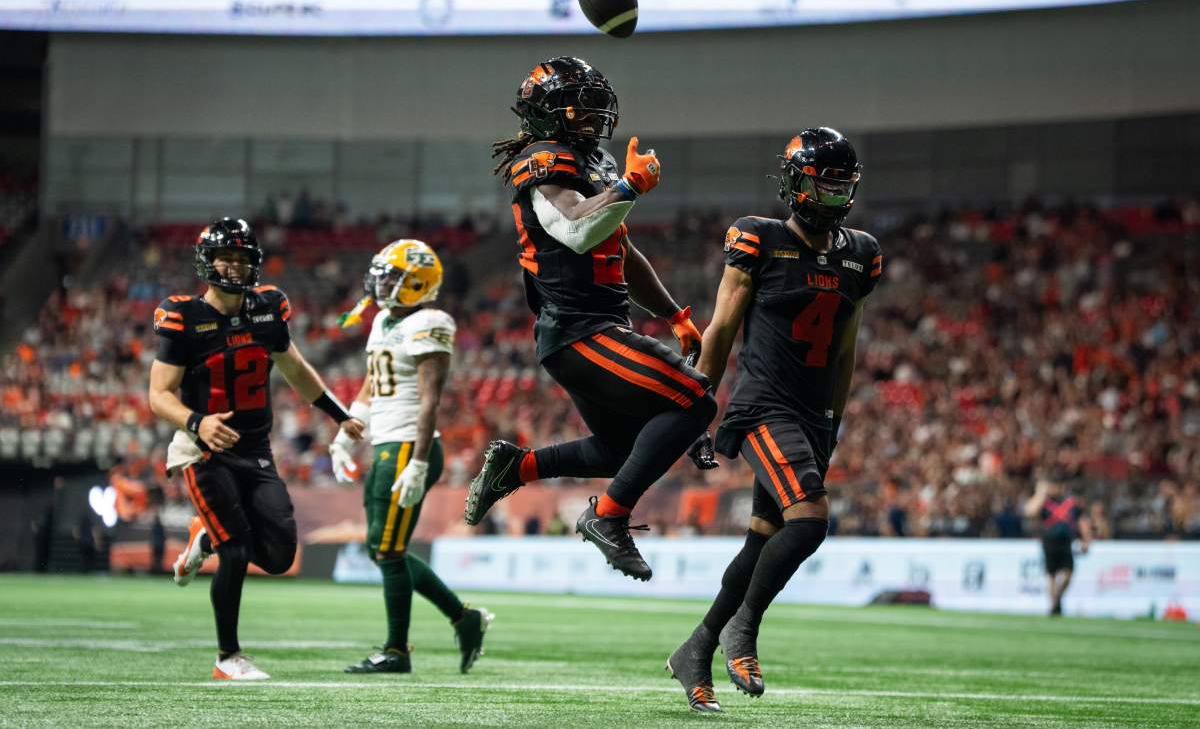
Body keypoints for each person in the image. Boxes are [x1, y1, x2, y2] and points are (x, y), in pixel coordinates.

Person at [466, 56, 716, 581]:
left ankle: (520, 466)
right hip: (576, 331)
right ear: (549, 114)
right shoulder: (540, 160)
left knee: (621, 450)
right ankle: (608, 517)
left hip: (599, 327)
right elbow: (576, 229)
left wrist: (673, 313)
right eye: (581, 109)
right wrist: (626, 188)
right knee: (695, 400)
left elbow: (618, 248)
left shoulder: (590, 160)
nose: (593, 120)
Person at [666, 128, 882, 711]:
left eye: (843, 186)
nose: (834, 197)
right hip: (763, 404)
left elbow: (846, 349)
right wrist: (695, 409)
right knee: (809, 519)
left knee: (764, 536)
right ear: (795, 183)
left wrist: (831, 423)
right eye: (824, 183)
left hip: (812, 414)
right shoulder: (759, 240)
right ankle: (744, 630)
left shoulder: (860, 253)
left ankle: (697, 646)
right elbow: (720, 331)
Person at [148, 217, 365, 680]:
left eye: (242, 257)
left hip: (256, 448)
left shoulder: (268, 308)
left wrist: (339, 413)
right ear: (207, 260)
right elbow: (159, 394)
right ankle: (228, 658)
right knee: (235, 549)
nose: (234, 265)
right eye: (226, 256)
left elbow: (297, 370)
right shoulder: (183, 316)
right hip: (202, 449)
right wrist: (197, 422)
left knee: (280, 555)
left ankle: (203, 534)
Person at [331, 239, 493, 675]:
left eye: (391, 277)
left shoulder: (430, 321)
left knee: (387, 550)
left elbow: (429, 400)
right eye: (381, 275)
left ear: (417, 284)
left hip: (408, 445)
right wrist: (347, 433)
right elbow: (371, 383)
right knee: (385, 550)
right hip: (386, 443)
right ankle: (464, 618)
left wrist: (419, 463)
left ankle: (396, 650)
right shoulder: (383, 319)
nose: (380, 283)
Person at [1024, 477, 1091, 616]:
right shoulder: (1044, 502)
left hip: (1067, 541)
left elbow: (1082, 520)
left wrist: (1086, 540)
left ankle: (1057, 599)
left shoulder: (1071, 502)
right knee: (1052, 575)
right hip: (1049, 541)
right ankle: (1054, 607)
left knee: (1068, 574)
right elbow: (1030, 512)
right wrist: (1040, 493)